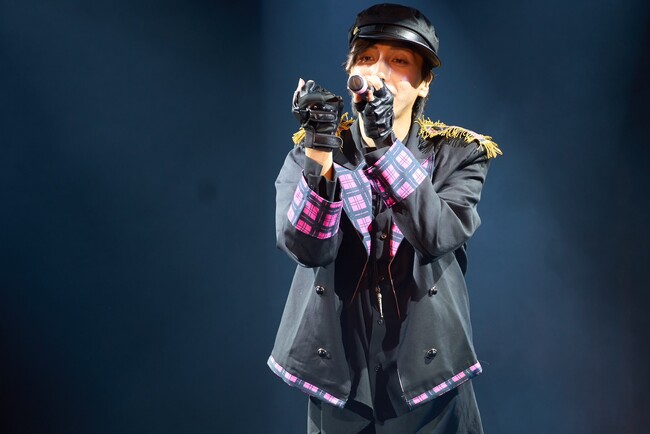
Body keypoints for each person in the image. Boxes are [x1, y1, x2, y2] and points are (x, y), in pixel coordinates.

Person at [267, 3, 502, 433]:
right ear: (350, 71)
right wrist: (320, 150)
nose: (379, 71)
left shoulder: (457, 154)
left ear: (424, 83)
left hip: (428, 383)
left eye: (399, 61)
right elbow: (307, 248)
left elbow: (437, 234)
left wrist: (383, 145)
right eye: (367, 58)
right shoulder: (312, 152)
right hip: (341, 383)